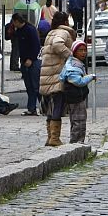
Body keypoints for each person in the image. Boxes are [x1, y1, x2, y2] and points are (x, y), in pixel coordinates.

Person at [40, 12, 77, 146]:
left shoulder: (51, 32)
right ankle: (54, 138)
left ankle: (50, 137)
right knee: (57, 105)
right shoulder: (63, 33)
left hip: (47, 74)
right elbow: (57, 45)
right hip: (57, 75)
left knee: (50, 106)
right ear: (66, 21)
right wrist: (71, 56)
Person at [59, 40, 96, 144]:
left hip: (77, 97)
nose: (83, 53)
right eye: (80, 50)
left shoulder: (76, 63)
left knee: (78, 120)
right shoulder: (73, 66)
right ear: (74, 51)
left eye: (85, 50)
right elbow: (78, 81)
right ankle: (76, 142)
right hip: (76, 98)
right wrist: (91, 77)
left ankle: (78, 141)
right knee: (78, 121)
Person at [11, 13, 42, 116]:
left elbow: (36, 45)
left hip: (32, 62)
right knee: (29, 87)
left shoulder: (30, 29)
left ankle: (44, 106)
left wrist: (31, 59)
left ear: (17, 21)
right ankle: (31, 108)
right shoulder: (19, 31)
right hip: (24, 61)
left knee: (36, 86)